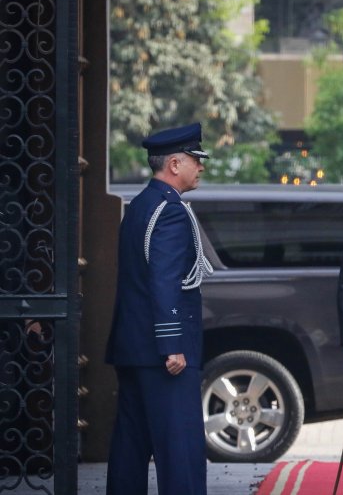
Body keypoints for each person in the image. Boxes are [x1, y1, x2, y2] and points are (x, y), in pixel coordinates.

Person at [105, 123, 213, 495]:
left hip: (134, 347)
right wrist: (172, 345)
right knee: (179, 449)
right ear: (174, 163)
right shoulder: (169, 211)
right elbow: (163, 280)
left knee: (130, 448)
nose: (201, 167)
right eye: (195, 161)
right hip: (162, 352)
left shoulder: (140, 205)